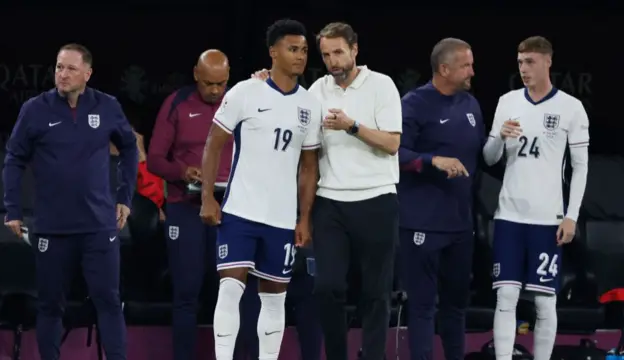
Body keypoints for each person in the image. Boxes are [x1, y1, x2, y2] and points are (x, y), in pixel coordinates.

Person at [2, 43, 138, 360]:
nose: (62, 74)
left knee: (108, 300)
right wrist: (12, 208)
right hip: (52, 227)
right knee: (50, 305)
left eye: (71, 69)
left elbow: (130, 149)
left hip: (98, 226)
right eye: (59, 67)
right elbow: (14, 158)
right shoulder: (35, 109)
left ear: (87, 74)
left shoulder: (107, 106)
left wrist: (125, 196)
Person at [200, 19, 321, 360]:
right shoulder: (245, 91)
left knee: (274, 299)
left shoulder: (310, 105)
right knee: (229, 290)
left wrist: (304, 217)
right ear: (273, 52)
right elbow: (213, 144)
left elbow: (309, 167)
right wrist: (209, 196)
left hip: (282, 219)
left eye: (303, 50)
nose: (299, 56)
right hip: (240, 210)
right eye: (292, 49)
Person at [484, 36, 590, 360]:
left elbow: (581, 167)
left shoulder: (571, 108)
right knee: (506, 296)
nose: (523, 69)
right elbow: (489, 158)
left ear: (547, 62)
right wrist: (500, 136)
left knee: (545, 301)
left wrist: (571, 215)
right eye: (519, 63)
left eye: (530, 62)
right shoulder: (507, 101)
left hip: (548, 218)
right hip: (509, 215)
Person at [309, 22, 401, 360]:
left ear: (354, 49)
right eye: (326, 54)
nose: (332, 61)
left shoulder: (382, 86)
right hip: (330, 201)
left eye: (338, 52)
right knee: (327, 287)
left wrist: (352, 126)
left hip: (376, 198)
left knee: (376, 292)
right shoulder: (317, 90)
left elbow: (392, 143)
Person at [397, 38, 484, 360]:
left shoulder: (470, 105)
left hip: (461, 224)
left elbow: (482, 153)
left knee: (456, 307)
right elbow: (396, 153)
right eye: (466, 65)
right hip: (422, 223)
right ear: (445, 69)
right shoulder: (414, 104)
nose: (472, 71)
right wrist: (433, 160)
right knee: (422, 307)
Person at [147, 49, 232, 360]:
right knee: (186, 293)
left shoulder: (238, 102)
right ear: (196, 74)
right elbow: (155, 159)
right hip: (187, 205)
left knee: (232, 294)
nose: (215, 91)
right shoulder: (177, 104)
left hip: (229, 207)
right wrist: (183, 172)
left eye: (221, 84)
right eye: (209, 83)